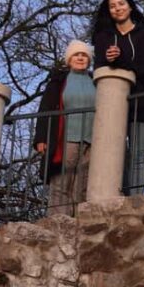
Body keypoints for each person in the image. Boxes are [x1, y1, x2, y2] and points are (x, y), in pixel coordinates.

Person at [91, 0, 144, 195]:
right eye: (112, 6)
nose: (117, 8)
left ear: (130, 6)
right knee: (112, 152)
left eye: (121, 4)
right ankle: (113, 195)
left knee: (137, 154)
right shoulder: (103, 37)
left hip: (140, 103)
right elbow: (99, 67)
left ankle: (135, 199)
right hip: (111, 104)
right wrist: (108, 59)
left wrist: (120, 59)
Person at [34, 40, 96, 216]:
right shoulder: (59, 80)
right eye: (76, 55)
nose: (80, 58)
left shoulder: (95, 80)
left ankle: (78, 219)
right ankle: (58, 219)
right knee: (62, 182)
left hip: (91, 139)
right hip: (66, 137)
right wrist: (41, 138)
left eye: (84, 55)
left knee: (82, 184)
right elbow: (45, 109)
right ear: (69, 59)